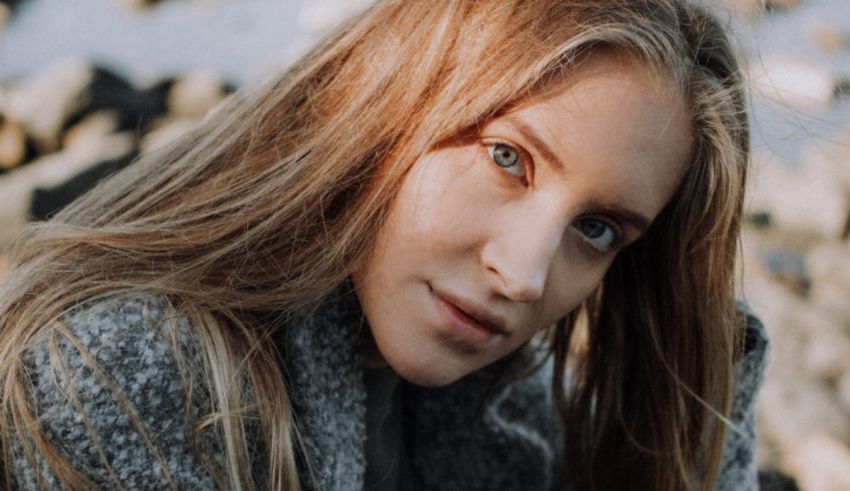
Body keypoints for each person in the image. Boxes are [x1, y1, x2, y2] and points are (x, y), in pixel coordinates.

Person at [0, 0, 769, 490]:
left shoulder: (483, 399)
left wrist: (693, 339)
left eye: (595, 229)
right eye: (508, 158)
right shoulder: (123, 375)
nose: (527, 274)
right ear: (386, 107)